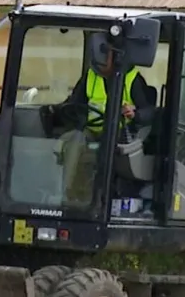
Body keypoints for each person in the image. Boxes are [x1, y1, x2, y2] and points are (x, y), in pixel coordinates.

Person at [48, 32, 157, 206]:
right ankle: (68, 197)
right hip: (92, 130)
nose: (100, 61)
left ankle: (102, 199)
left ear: (115, 54)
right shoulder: (91, 77)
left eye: (104, 55)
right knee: (73, 140)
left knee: (107, 145)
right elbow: (74, 102)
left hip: (121, 134)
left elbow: (150, 110)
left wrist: (135, 113)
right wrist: (56, 110)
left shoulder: (132, 78)